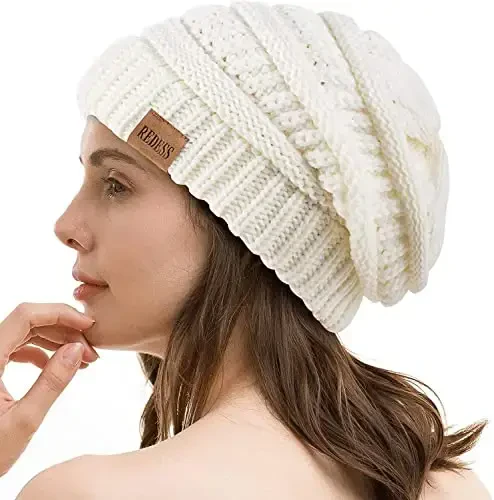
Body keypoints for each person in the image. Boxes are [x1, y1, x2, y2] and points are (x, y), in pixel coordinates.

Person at [0, 2, 490, 499]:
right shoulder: (446, 485)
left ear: (247, 226)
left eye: (116, 184)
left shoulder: (87, 492)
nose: (66, 226)